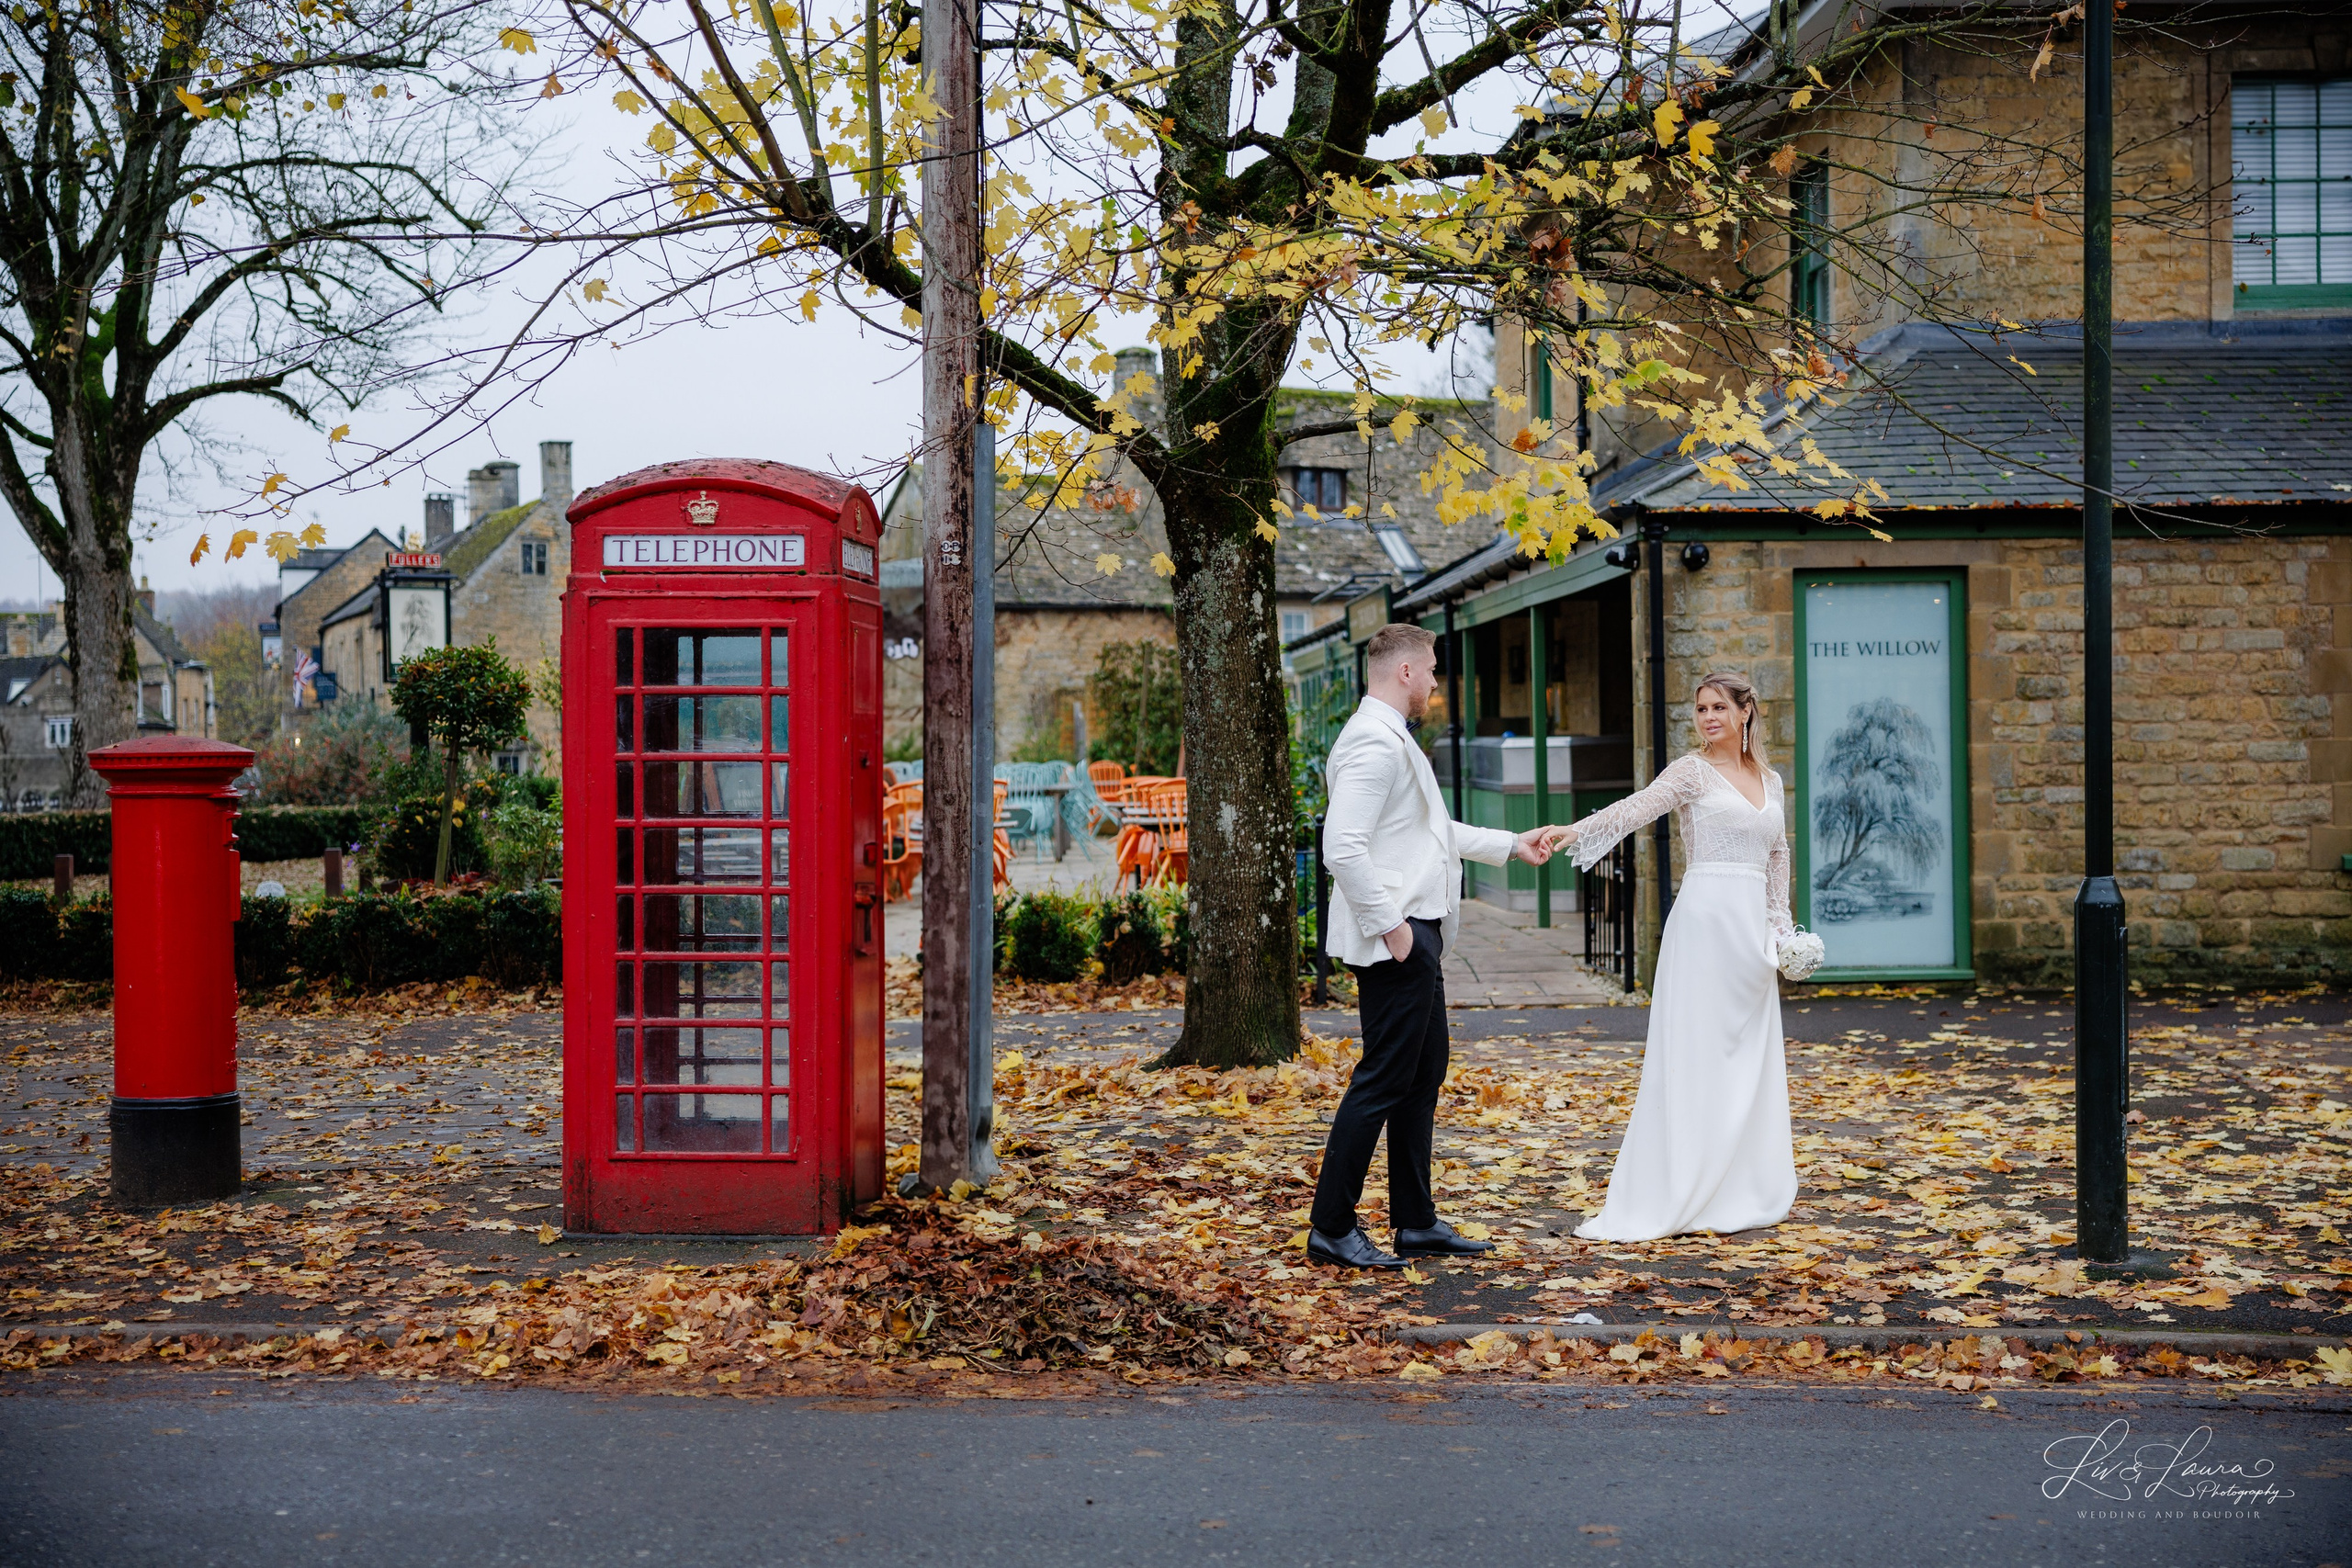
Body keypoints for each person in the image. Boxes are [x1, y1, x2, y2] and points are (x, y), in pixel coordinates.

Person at [1307, 624, 1559, 1269]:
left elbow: (1429, 830)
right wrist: (1394, 930)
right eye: (1432, 669)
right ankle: (1331, 1226)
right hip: (1398, 938)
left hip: (1417, 935)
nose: (1436, 681)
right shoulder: (1373, 741)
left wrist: (1512, 844)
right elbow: (1342, 846)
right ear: (1406, 672)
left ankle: (1415, 1222)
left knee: (1422, 1076)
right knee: (1383, 1079)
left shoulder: (1391, 737)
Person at [1538, 671, 1798, 1242]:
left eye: (1719, 707)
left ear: (1745, 712)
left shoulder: (1772, 780)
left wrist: (1781, 929)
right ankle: (1680, 1184)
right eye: (1701, 708)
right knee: (1697, 1056)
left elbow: (1778, 854)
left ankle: (1743, 1185)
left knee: (1748, 1061)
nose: (1708, 718)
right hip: (1704, 927)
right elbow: (1637, 808)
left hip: (1751, 936)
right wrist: (1574, 830)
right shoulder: (1690, 771)